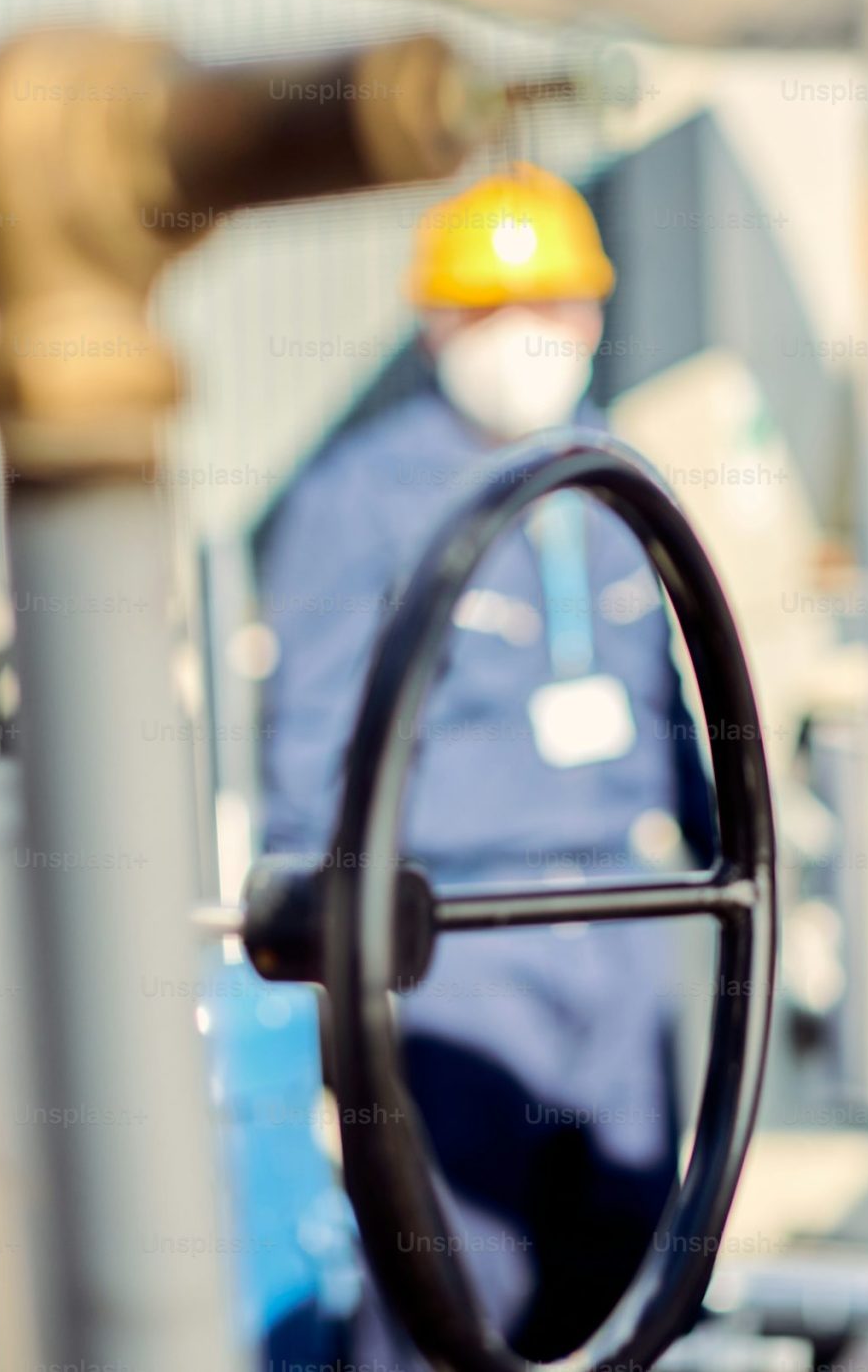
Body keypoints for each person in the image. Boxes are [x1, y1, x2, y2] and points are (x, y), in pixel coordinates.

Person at [257, 162, 715, 1364]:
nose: (528, 337)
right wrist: (324, 963)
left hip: (620, 922)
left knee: (620, 1272)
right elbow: (309, 744)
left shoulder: (616, 470)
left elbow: (672, 695)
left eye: (557, 306)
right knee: (453, 1287)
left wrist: (726, 849)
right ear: (432, 325)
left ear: (595, 317)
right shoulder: (357, 501)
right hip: (452, 941)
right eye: (490, 310)